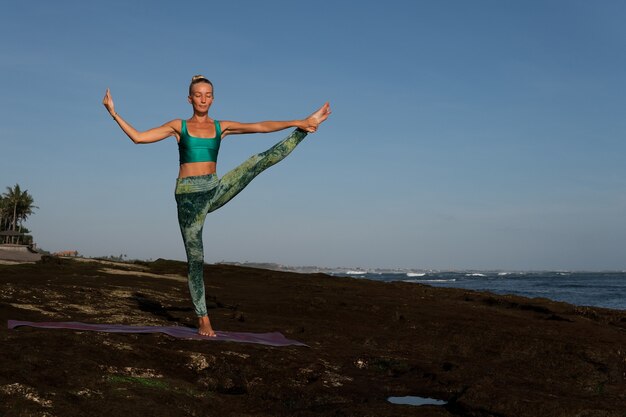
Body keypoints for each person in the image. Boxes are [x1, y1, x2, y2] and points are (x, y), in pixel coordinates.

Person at [102, 75, 331, 337]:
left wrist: (299, 122)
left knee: (257, 161)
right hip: (188, 197)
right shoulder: (179, 126)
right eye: (198, 94)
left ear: (212, 98)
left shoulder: (221, 127)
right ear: (189, 99)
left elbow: (260, 126)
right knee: (196, 259)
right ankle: (203, 320)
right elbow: (139, 138)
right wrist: (114, 113)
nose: (203, 98)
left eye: (208, 94)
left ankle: (306, 130)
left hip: (214, 188)